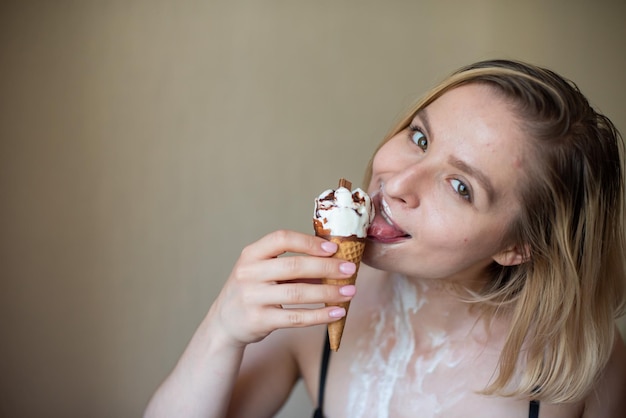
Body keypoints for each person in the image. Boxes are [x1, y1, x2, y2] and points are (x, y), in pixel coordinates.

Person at [144, 59, 626, 418]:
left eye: (460, 187)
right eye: (420, 137)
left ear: (518, 246)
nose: (396, 183)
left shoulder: (584, 363)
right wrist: (220, 332)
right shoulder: (321, 300)